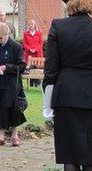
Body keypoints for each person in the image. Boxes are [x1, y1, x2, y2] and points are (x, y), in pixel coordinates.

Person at [43, 0, 92, 170]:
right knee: (90, 154)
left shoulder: (58, 26)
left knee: (69, 155)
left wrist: (47, 97)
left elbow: (50, 68)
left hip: (66, 95)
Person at [0, 22, 26, 147]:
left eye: (0, 38)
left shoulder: (16, 46)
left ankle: (14, 136)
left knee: (14, 109)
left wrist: (6, 67)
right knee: (0, 108)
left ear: (7, 34)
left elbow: (22, 66)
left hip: (13, 84)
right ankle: (1, 136)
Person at [22, 19, 44, 87]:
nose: (31, 26)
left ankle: (37, 83)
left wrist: (36, 49)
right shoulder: (25, 34)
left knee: (37, 68)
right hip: (29, 54)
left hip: (37, 54)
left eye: (32, 24)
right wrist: (30, 49)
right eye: (30, 24)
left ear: (35, 25)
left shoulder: (39, 33)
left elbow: (41, 43)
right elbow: (24, 43)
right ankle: (30, 84)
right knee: (30, 69)